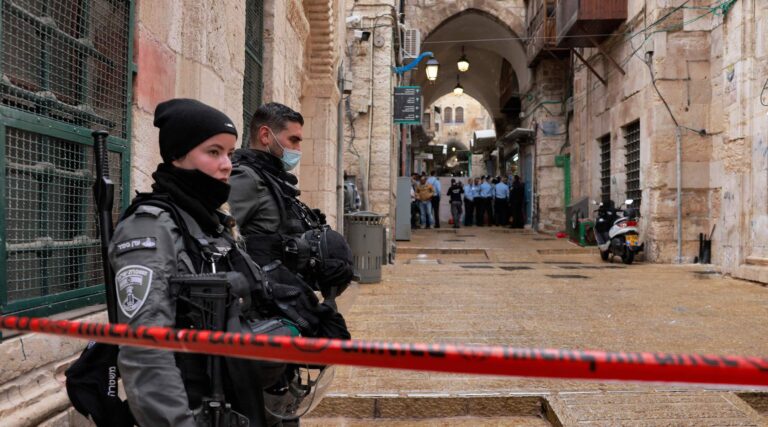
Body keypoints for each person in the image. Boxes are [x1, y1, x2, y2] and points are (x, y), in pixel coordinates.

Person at [110, 98, 265, 426]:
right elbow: (144, 349)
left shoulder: (207, 221)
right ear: (179, 156)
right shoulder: (150, 226)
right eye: (213, 152)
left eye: (230, 153)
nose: (227, 165)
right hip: (190, 408)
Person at [228, 102, 353, 425]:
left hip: (281, 303)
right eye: (294, 140)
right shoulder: (246, 177)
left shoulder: (272, 179)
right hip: (261, 306)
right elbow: (223, 236)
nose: (298, 148)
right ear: (266, 135)